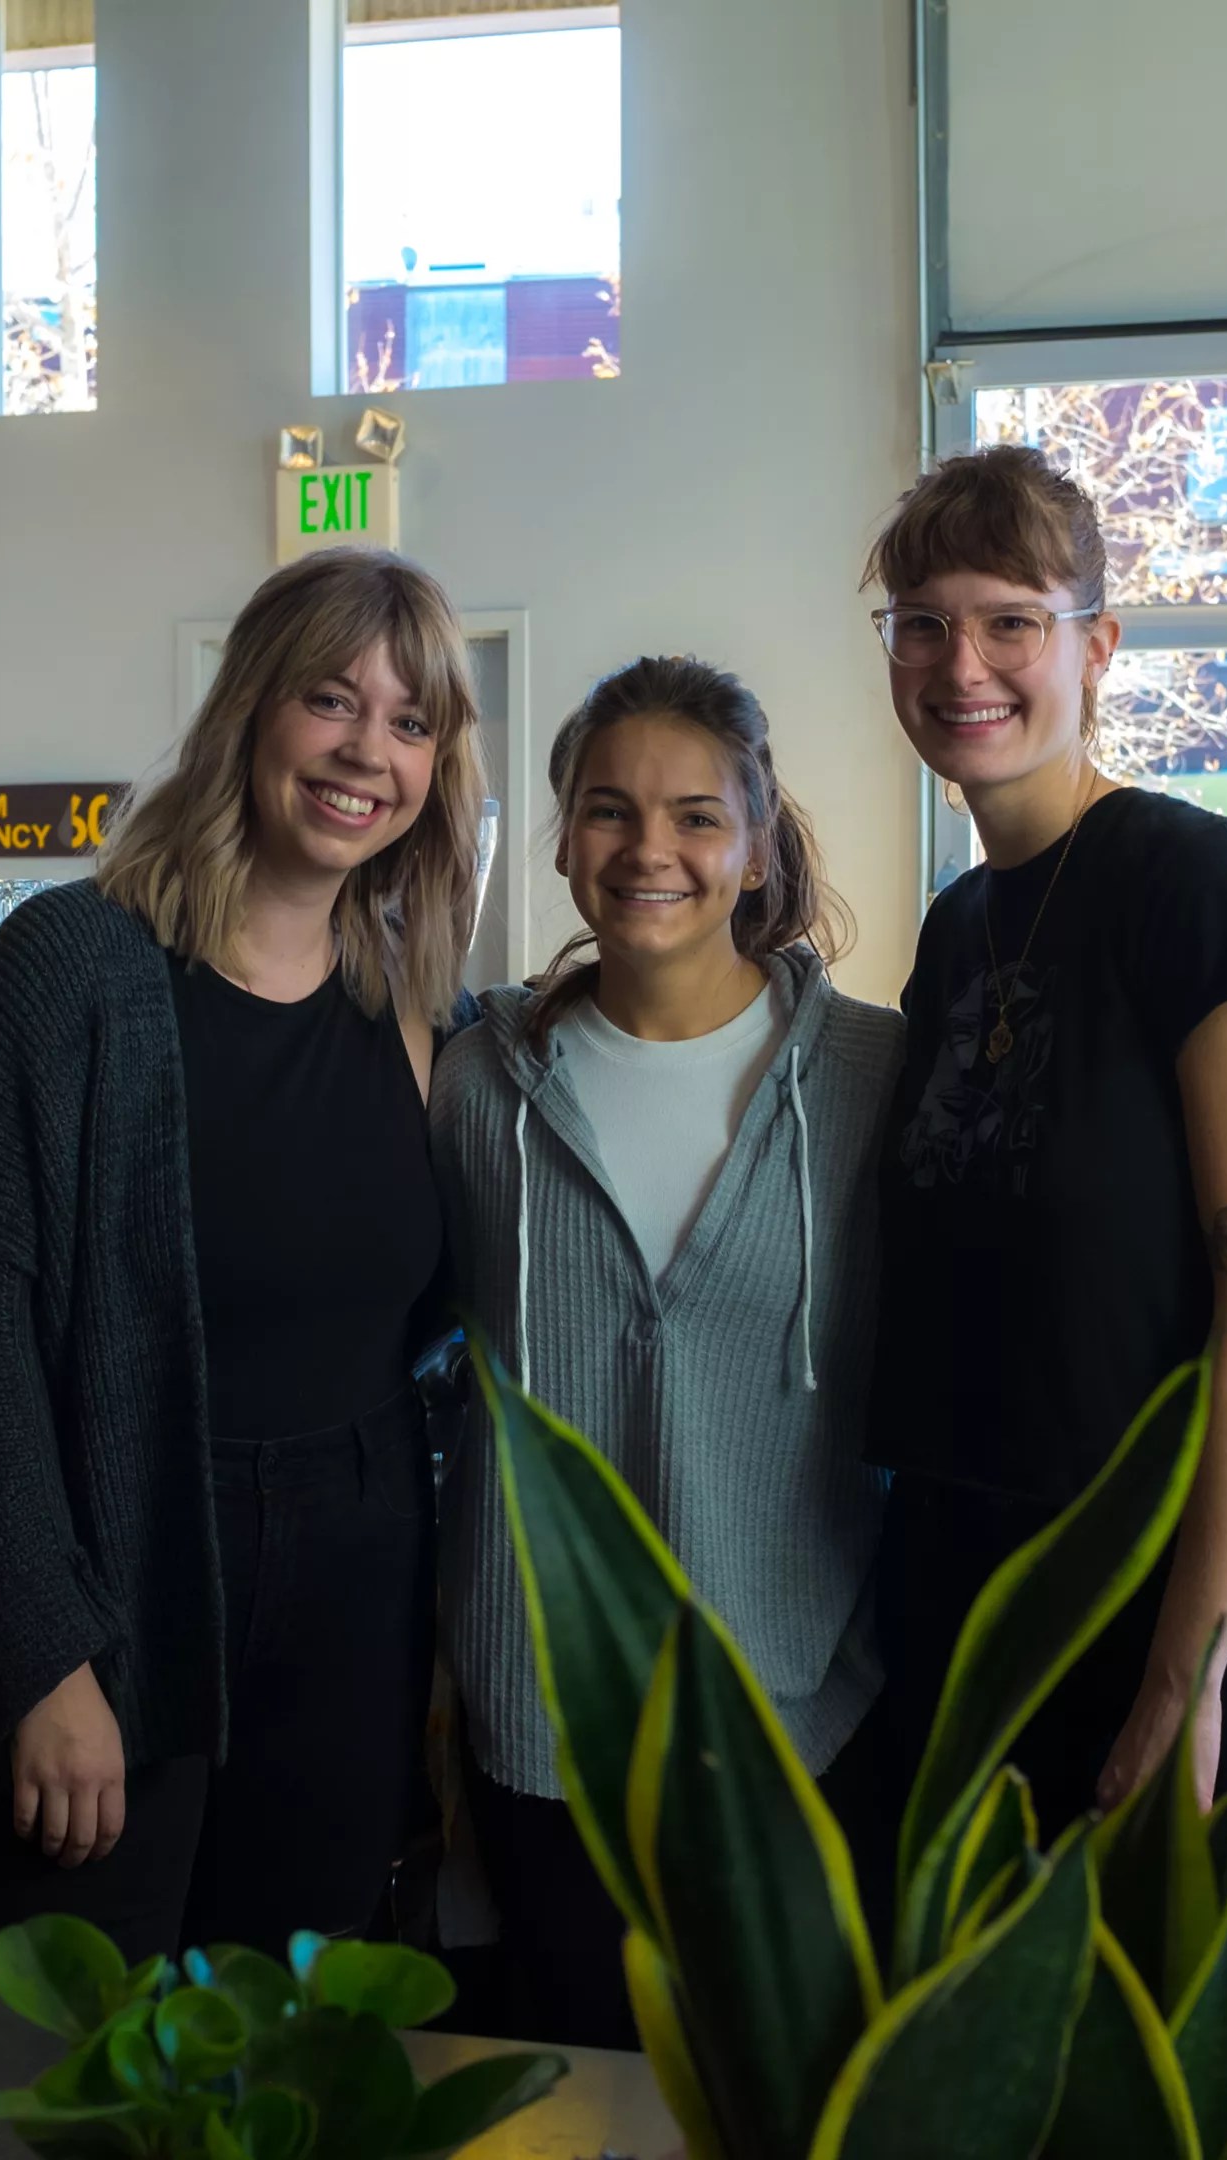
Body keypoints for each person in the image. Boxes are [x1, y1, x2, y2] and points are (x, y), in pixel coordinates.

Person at [0, 548, 485, 1969]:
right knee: (78, 2053)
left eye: (410, 721)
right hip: (114, 1599)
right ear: (248, 708)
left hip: (350, 1625)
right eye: (331, 700)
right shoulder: (69, 970)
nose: (368, 751)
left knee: (293, 2043)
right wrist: (39, 1660)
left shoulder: (409, 1006)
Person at [866, 445, 1227, 1830]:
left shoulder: (1191, 881)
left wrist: (1186, 1685)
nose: (961, 665)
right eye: (922, 624)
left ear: (1097, 646)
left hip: (1175, 1620)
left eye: (1011, 622)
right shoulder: (956, 931)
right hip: (979, 1625)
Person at [431, 657, 897, 2048]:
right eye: (609, 809)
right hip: (543, 1727)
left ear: (755, 845)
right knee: (579, 2099)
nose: (651, 849)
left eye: (697, 816)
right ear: (563, 839)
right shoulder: (472, 1084)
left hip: (797, 1717)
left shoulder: (872, 1079)